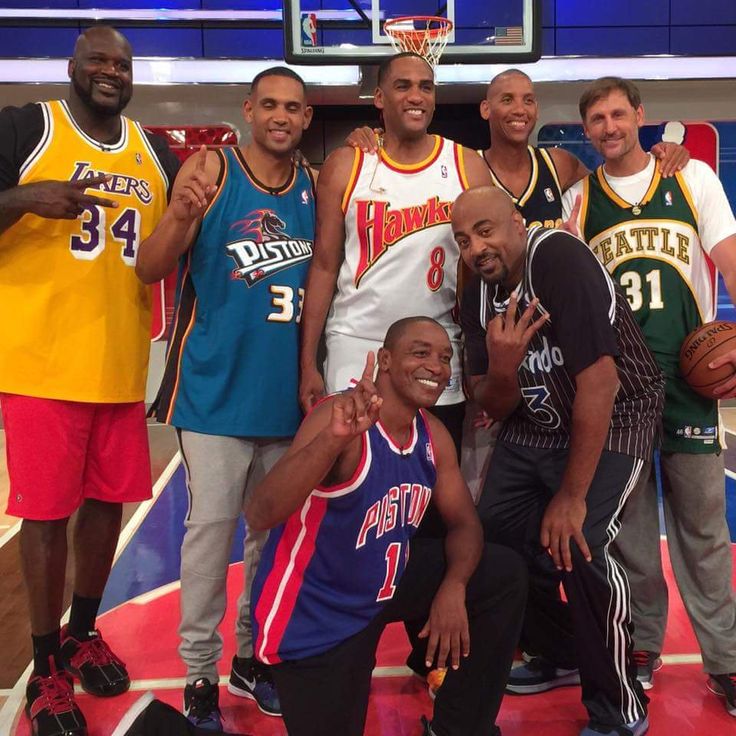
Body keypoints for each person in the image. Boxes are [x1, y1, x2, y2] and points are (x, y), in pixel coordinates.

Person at [0, 25, 179, 736]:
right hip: (41, 364)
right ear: (72, 67)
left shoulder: (154, 153)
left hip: (120, 365)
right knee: (44, 518)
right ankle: (46, 668)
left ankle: (82, 629)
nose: (112, 70)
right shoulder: (27, 127)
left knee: (108, 505)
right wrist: (21, 199)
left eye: (123, 62)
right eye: (99, 59)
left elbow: (172, 245)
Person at [136, 67, 316, 730]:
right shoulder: (210, 173)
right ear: (247, 109)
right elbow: (150, 267)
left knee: (273, 544)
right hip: (212, 394)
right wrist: (182, 216)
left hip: (284, 402)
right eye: (268, 104)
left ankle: (253, 657)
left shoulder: (314, 188)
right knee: (210, 541)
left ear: (303, 119)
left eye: (292, 108)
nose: (280, 116)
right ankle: (200, 674)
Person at [247, 317, 527, 736]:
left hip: (381, 583)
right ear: (385, 360)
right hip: (317, 614)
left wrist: (453, 588)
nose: (436, 366)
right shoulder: (339, 420)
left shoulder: (432, 436)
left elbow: (465, 524)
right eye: (420, 352)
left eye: (445, 357)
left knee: (501, 574)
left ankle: (459, 728)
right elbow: (261, 511)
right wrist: (332, 441)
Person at [455, 186, 665, 736]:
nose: (475, 247)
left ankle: (619, 705)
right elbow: (491, 403)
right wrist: (503, 369)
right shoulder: (476, 287)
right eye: (462, 239)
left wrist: (571, 497)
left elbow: (600, 382)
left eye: (484, 229)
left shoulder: (558, 259)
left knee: (581, 544)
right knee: (491, 538)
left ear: (517, 224)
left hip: (616, 414)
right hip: (536, 421)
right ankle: (561, 650)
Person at [562, 76, 736, 716]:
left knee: (703, 532)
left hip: (689, 389)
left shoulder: (693, 181)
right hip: (621, 396)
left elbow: (729, 256)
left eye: (617, 114)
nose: (609, 127)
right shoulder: (580, 203)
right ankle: (640, 647)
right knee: (629, 536)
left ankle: (727, 661)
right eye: (596, 121)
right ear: (586, 131)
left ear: (640, 115)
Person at [298, 51, 492, 452]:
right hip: (356, 344)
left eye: (425, 87)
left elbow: (479, 277)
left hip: (438, 351)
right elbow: (323, 266)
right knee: (355, 484)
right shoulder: (347, 164)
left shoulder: (465, 164)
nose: (416, 96)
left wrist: (479, 360)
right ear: (380, 98)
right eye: (403, 86)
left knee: (433, 487)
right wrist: (306, 363)